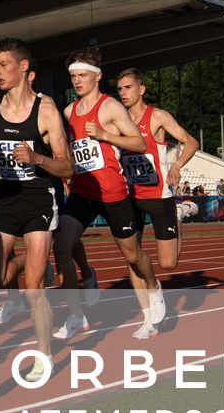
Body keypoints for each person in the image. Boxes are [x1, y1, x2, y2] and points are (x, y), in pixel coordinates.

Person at [26, 48, 164, 341]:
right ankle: (76, 314)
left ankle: (153, 287)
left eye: (82, 76)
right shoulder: (68, 111)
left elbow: (139, 143)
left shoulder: (110, 107)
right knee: (62, 245)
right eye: (73, 76)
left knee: (132, 254)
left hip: (112, 192)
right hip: (83, 191)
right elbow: (74, 149)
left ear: (97, 76)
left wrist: (103, 135)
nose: (76, 81)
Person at [0, 38, 65, 354]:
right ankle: (23, 261)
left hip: (37, 199)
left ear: (24, 67)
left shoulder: (46, 111)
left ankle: (44, 352)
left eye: (3, 65)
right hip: (3, 198)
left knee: (34, 291)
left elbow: (67, 167)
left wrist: (37, 159)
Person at [113, 68, 199, 275]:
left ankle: (177, 216)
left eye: (128, 87)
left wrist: (176, 165)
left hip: (158, 194)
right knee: (132, 256)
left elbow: (191, 142)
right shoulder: (117, 120)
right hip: (130, 195)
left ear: (141, 89)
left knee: (168, 264)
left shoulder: (158, 116)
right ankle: (148, 303)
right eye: (119, 89)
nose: (123, 93)